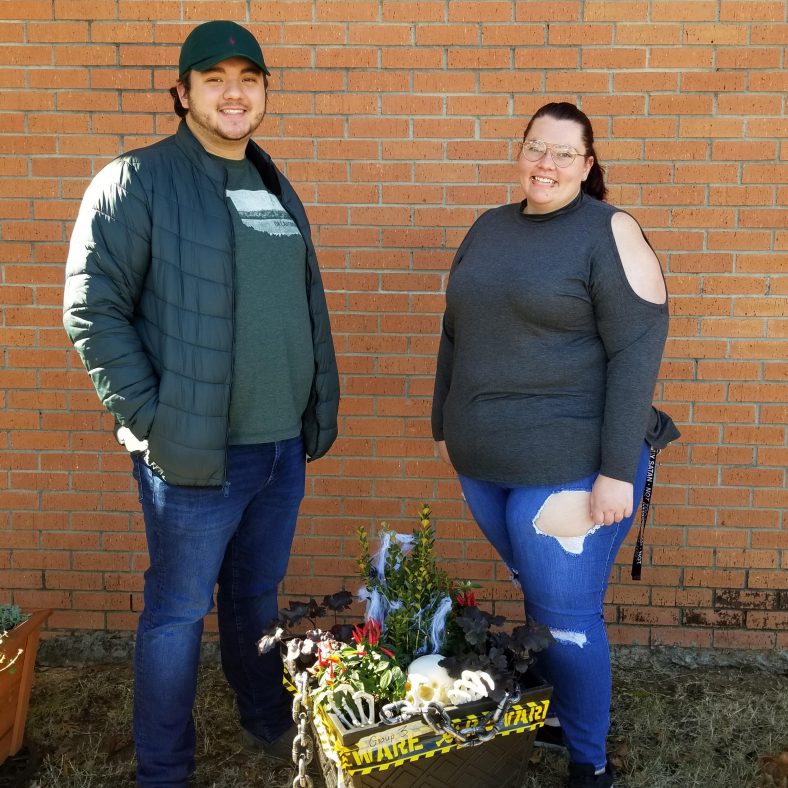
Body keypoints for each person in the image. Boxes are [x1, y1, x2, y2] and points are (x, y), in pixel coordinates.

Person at [63, 20, 340, 787]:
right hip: (194, 452)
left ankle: (261, 710)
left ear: (264, 94)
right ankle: (164, 768)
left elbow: (297, 304)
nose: (233, 92)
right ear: (181, 92)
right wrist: (151, 419)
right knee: (178, 612)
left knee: (255, 594)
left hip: (280, 446)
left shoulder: (271, 182)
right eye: (214, 77)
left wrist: (312, 409)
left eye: (249, 78)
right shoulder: (137, 179)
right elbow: (93, 310)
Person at [431, 102, 669, 788]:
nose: (548, 163)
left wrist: (617, 470)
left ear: (588, 165)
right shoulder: (488, 228)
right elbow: (455, 331)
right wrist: (443, 425)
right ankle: (561, 715)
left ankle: (589, 765)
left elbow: (636, 351)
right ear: (520, 152)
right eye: (538, 147)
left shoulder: (608, 230)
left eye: (566, 153)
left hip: (570, 467)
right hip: (485, 463)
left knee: (565, 620)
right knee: (539, 599)